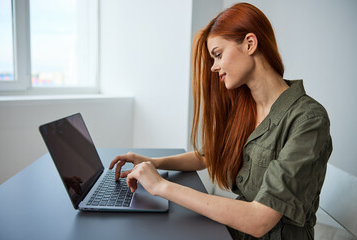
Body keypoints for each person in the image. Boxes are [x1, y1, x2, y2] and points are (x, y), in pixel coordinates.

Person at [109, 2, 332, 239]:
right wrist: (153, 162)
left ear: (249, 44)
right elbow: (208, 156)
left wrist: (161, 186)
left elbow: (260, 220)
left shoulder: (309, 120)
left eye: (218, 55)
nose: (214, 67)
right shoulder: (246, 107)